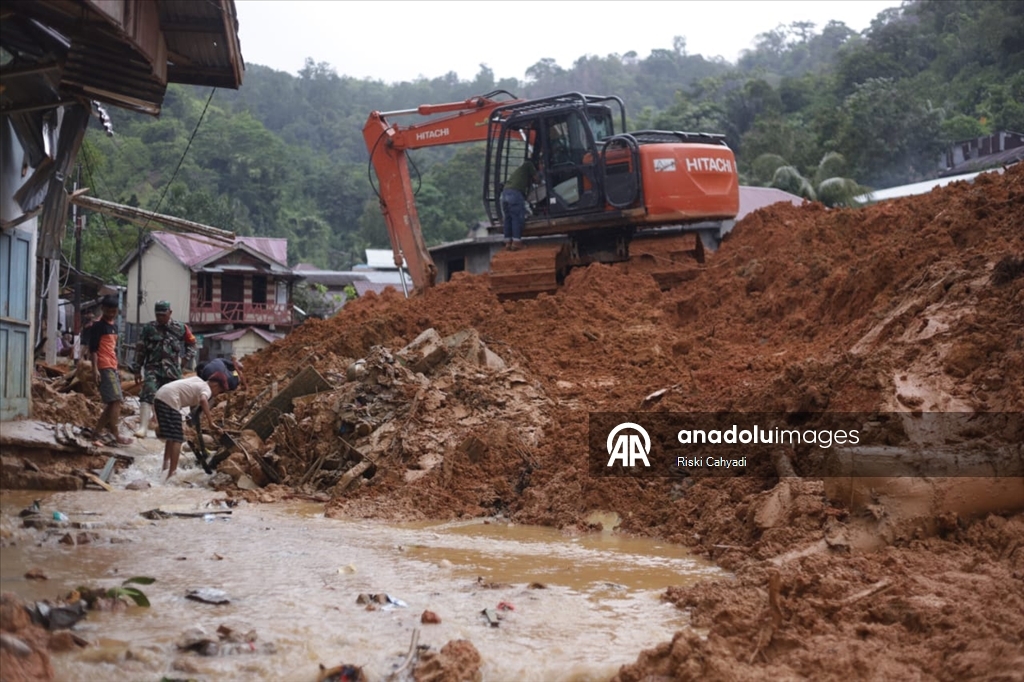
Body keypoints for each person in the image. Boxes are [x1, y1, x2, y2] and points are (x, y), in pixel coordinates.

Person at [134, 301, 197, 438]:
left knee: (175, 397)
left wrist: (186, 358)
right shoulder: (148, 328)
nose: (160, 317)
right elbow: (140, 349)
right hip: (153, 368)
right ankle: (143, 427)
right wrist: (137, 368)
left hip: (173, 370)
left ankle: (176, 427)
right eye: (158, 315)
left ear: (170, 313)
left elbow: (192, 343)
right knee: (148, 393)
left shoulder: (180, 328)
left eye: (163, 315)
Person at [153, 371, 230, 479]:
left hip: (160, 396)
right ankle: (172, 473)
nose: (217, 394)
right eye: (219, 390)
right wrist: (210, 422)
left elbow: (191, 399)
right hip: (170, 400)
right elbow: (203, 400)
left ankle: (165, 468)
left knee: (171, 437)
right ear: (215, 385)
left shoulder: (198, 381)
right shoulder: (207, 389)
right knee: (178, 438)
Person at [85, 295, 132, 446]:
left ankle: (97, 433)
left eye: (113, 311)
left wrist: (117, 368)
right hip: (103, 366)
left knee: (113, 402)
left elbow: (112, 349)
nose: (111, 314)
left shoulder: (114, 326)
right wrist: (95, 369)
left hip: (112, 365)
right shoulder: (98, 326)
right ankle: (116, 433)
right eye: (108, 311)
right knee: (116, 400)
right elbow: (93, 349)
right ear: (103, 309)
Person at [501, 159, 537, 251]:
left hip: (505, 193)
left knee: (508, 218)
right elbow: (537, 179)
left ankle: (508, 242)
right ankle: (517, 243)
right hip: (515, 193)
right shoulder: (528, 164)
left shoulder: (518, 172)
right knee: (517, 217)